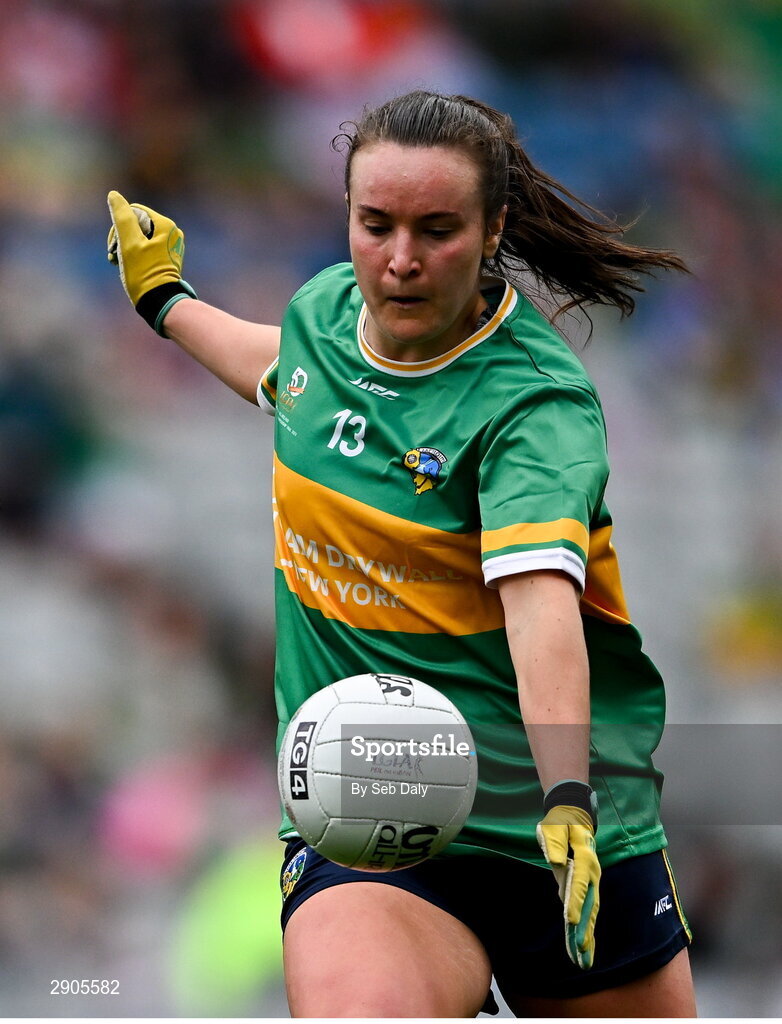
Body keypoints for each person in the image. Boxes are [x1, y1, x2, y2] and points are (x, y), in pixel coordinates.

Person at [107, 90, 697, 1018]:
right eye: (375, 225)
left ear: (495, 226)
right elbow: (283, 374)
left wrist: (569, 796)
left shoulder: (533, 407)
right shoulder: (323, 318)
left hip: (558, 826)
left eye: (437, 229)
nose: (402, 259)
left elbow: (541, 604)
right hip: (369, 815)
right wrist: (165, 301)